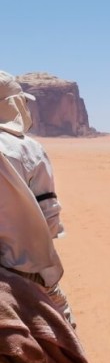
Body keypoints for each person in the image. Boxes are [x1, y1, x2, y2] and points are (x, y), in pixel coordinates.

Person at [0, 70, 75, 326]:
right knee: (66, 328)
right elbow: (50, 220)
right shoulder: (29, 150)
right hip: (23, 270)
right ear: (13, 104)